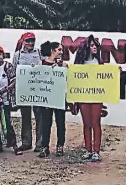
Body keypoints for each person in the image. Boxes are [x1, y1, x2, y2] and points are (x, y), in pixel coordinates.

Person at [74, 34, 112, 162]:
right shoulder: (79, 63)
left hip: (96, 96)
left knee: (96, 122)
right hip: (83, 96)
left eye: (95, 45)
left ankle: (96, 150)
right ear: (86, 47)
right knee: (86, 123)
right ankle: (88, 149)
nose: (94, 47)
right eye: (91, 45)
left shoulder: (99, 62)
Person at [36, 41, 69, 158]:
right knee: (46, 123)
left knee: (60, 122)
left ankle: (60, 146)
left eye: (61, 50)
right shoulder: (41, 63)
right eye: (59, 49)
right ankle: (44, 147)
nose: (61, 52)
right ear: (52, 50)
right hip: (47, 98)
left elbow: (67, 79)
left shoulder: (64, 65)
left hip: (59, 97)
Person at [12, 32, 43, 152]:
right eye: (28, 41)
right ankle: (26, 142)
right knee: (25, 116)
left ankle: (40, 143)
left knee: (39, 116)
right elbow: (14, 72)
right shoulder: (17, 55)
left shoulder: (39, 53)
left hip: (38, 90)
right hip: (24, 90)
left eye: (32, 41)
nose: (30, 43)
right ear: (23, 41)